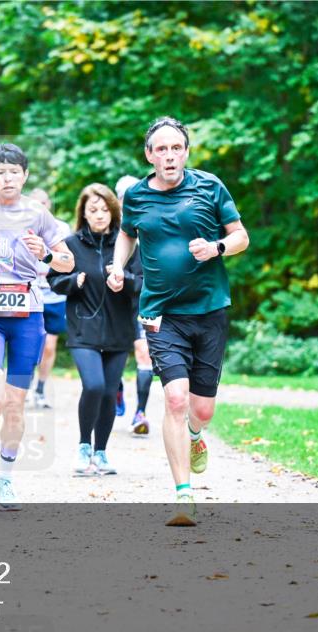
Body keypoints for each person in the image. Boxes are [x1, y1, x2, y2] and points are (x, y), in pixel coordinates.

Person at [108, 117, 249, 526]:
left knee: (201, 410)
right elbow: (127, 233)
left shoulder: (209, 186)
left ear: (186, 152)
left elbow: (241, 235)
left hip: (209, 310)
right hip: (160, 313)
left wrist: (218, 247)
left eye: (176, 148)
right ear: (149, 155)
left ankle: (195, 435)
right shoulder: (135, 195)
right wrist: (117, 266)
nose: (169, 155)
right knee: (173, 398)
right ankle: (184, 496)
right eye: (161, 149)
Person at [0, 142, 74, 510]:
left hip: (28, 316)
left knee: (14, 405)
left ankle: (6, 480)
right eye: (1, 172)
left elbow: (68, 263)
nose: (8, 178)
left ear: (24, 176)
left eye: (15, 172)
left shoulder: (38, 214)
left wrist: (46, 254)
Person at [48, 184, 135, 476]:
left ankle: (101, 452)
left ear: (114, 210)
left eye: (104, 209)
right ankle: (84, 446)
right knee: (94, 385)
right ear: (83, 214)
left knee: (110, 392)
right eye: (92, 210)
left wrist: (125, 279)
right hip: (83, 328)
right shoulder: (71, 244)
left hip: (119, 328)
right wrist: (75, 281)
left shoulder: (127, 244)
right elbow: (53, 280)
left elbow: (146, 281)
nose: (99, 215)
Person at [114, 174, 155, 435]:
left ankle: (140, 412)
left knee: (144, 353)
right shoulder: (107, 228)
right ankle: (116, 389)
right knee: (111, 357)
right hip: (113, 305)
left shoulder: (149, 223)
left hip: (140, 302)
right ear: (118, 200)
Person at [26, 188, 72, 409]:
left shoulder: (61, 228)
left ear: (48, 205)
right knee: (26, 344)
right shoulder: (21, 228)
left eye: (42, 204)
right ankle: (22, 386)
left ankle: (40, 388)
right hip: (28, 296)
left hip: (54, 297)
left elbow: (70, 261)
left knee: (49, 347)